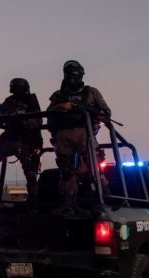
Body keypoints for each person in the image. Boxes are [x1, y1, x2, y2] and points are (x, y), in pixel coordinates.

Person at [47, 60, 111, 215]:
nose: (73, 78)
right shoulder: (59, 95)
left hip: (85, 133)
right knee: (66, 171)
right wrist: (62, 106)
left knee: (94, 166)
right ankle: (69, 205)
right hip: (63, 135)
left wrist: (92, 113)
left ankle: (106, 199)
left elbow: (106, 113)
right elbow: (49, 113)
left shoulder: (91, 92)